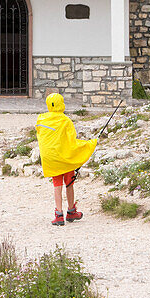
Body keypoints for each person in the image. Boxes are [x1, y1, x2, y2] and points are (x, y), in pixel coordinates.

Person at [35, 93, 97, 226]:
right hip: (65, 159)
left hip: (51, 159)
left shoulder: (41, 120)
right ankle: (71, 211)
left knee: (57, 186)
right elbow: (72, 140)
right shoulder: (65, 120)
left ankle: (58, 215)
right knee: (69, 184)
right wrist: (89, 144)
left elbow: (41, 136)